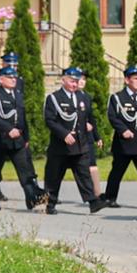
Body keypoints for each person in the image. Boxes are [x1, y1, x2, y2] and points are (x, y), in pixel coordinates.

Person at [0, 65, 46, 211]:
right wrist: (8, 129)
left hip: (17, 140)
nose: (13, 79)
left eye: (14, 77)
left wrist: (26, 137)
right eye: (9, 77)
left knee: (25, 169)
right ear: (1, 79)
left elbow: (22, 118)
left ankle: (31, 198)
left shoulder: (17, 94)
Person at [43, 66, 104, 214]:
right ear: (63, 80)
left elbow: (87, 118)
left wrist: (94, 136)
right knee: (54, 176)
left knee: (84, 174)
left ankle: (93, 202)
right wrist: (64, 134)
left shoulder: (83, 97)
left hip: (79, 145)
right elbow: (50, 120)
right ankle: (50, 203)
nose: (74, 84)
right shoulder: (54, 98)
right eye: (71, 81)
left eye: (77, 81)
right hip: (61, 146)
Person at [103, 64, 137, 208]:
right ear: (127, 80)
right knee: (117, 172)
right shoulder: (117, 98)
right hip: (124, 143)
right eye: (135, 78)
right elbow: (112, 116)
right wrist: (123, 130)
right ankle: (110, 198)